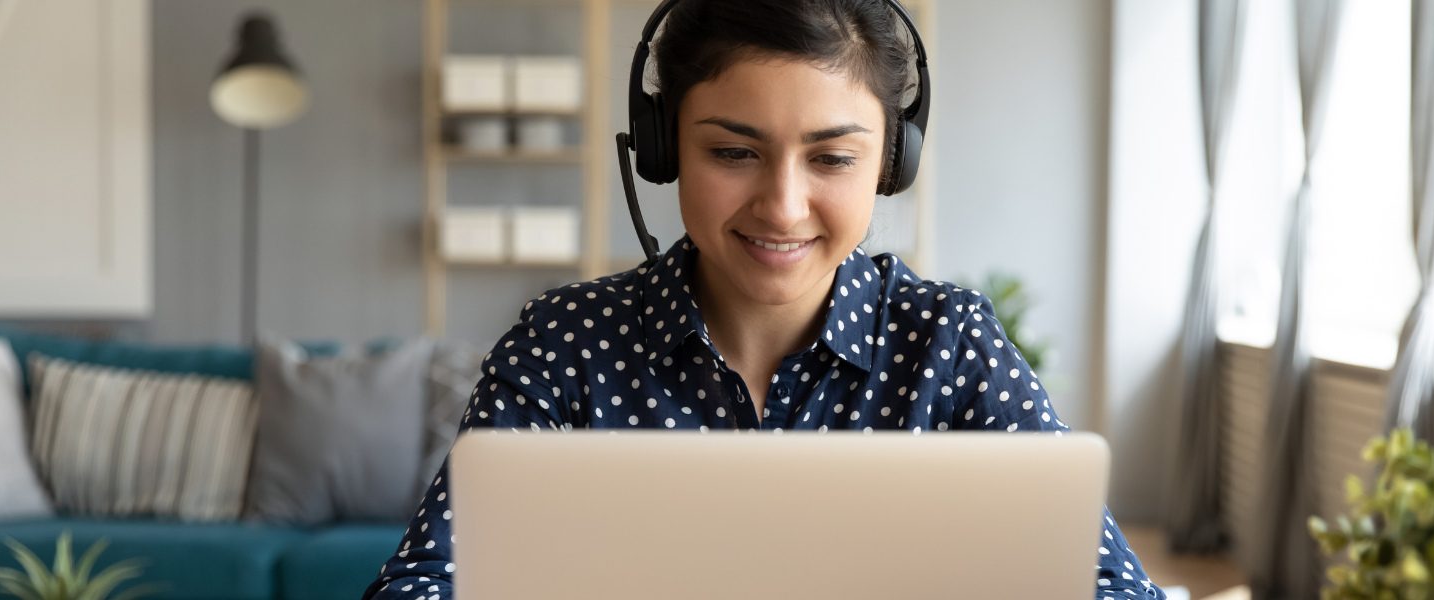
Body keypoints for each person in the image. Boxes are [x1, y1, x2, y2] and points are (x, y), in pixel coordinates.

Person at [363, 0, 1164, 597]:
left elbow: (1106, 584)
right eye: (733, 151)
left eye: (832, 159)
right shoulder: (566, 341)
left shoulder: (948, 341)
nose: (783, 206)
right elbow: (425, 580)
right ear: (662, 145)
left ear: (893, 162)